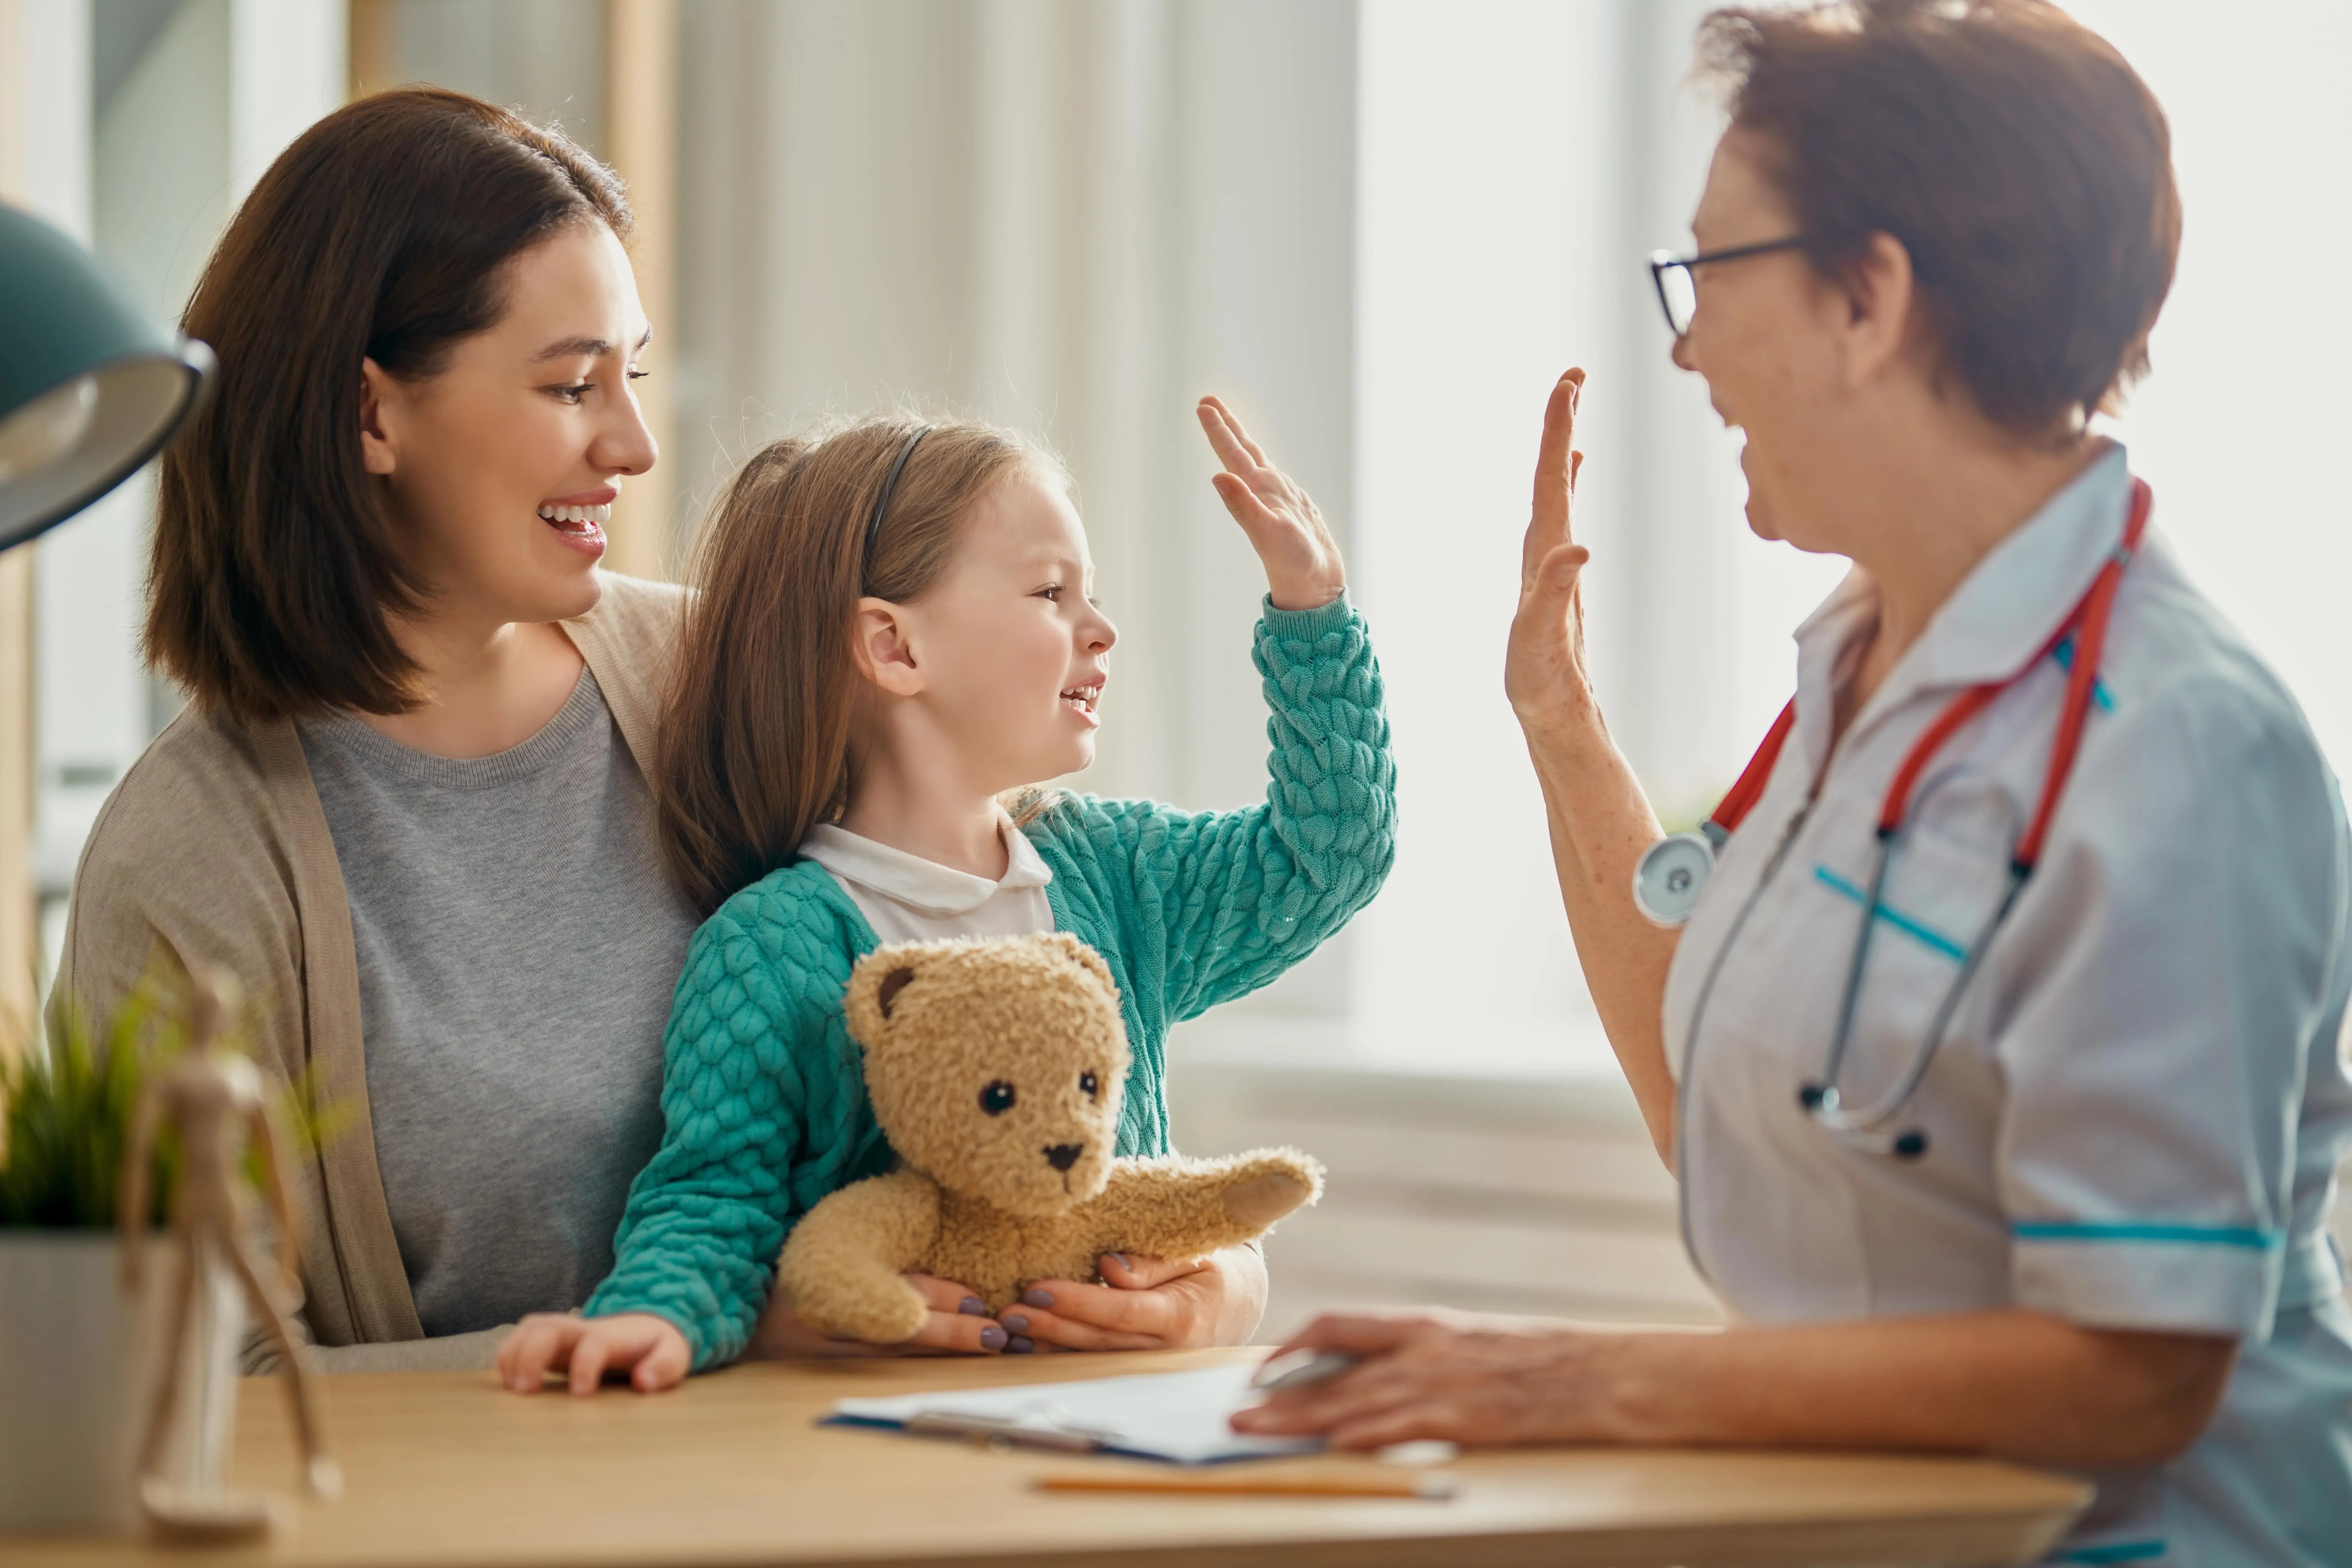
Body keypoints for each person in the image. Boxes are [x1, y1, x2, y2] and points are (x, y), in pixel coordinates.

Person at [1237, 4, 2352, 1564]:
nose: (1686, 347)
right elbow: (1725, 1121)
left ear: (1869, 297)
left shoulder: (2177, 746)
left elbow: (2136, 1366)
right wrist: (1562, 724)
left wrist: (1567, 1376)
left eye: (1711, 273)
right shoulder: (1869, 677)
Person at [495, 402, 1396, 1393]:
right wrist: (650, 1318)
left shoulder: (1119, 875)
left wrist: (1312, 614)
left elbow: (1333, 849)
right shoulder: (771, 947)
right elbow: (716, 1196)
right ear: (893, 647)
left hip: (1112, 1436)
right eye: (1051, 592)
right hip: (881, 1457)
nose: (1100, 629)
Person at [51, 88, 695, 1372]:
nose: (633, 442)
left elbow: (1002, 998)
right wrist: (674, 1338)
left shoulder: (715, 679)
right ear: (371, 416)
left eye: (630, 372)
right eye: (573, 383)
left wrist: (1204, 1283)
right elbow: (210, 1375)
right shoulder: (192, 852)